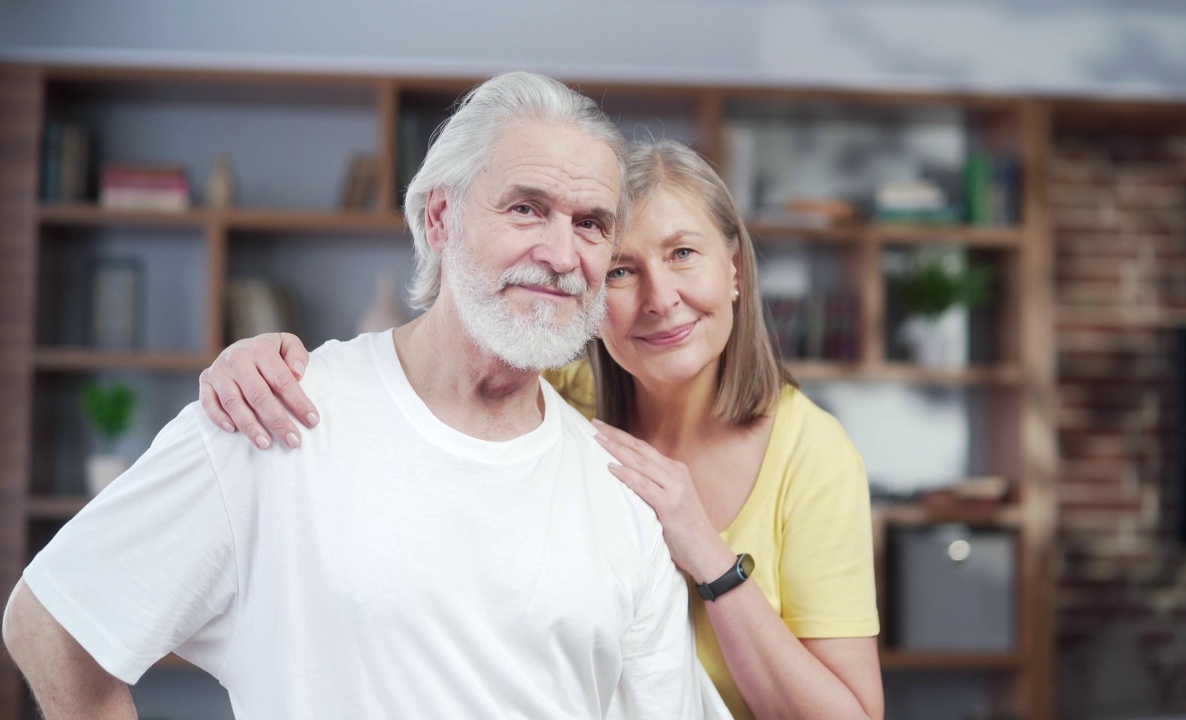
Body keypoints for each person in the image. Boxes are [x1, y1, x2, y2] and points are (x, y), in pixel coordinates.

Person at [2, 72, 731, 720]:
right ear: (441, 220)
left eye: (591, 224)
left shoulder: (622, 494)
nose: (562, 253)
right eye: (525, 209)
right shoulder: (273, 413)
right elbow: (52, 621)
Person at [199, 138, 886, 719]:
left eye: (683, 254)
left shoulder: (812, 455)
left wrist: (707, 555)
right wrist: (267, 362)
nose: (659, 299)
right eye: (621, 270)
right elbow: (411, 385)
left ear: (734, 268)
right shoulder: (550, 399)